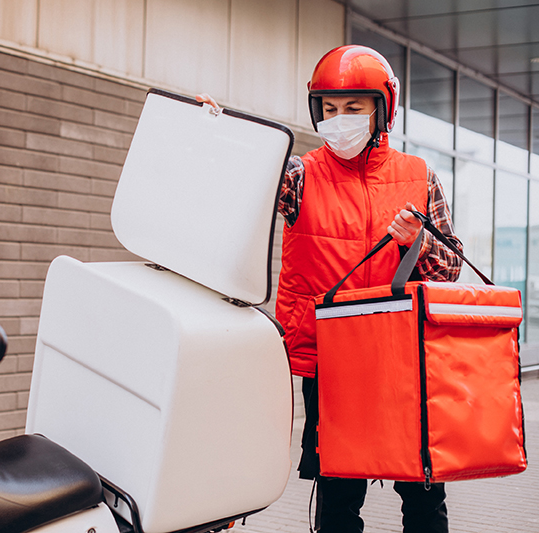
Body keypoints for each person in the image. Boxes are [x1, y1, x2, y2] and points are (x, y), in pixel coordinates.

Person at [199, 44, 462, 533]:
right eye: (330, 109)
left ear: (382, 109)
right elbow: (244, 180)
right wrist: (214, 135)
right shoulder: (301, 175)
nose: (340, 120)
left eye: (354, 108)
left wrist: (421, 241)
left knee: (425, 498)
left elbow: (450, 270)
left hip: (405, 362)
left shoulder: (420, 177)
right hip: (332, 359)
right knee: (339, 503)